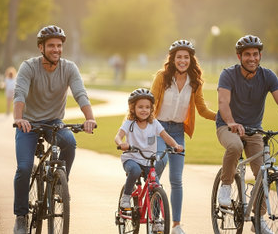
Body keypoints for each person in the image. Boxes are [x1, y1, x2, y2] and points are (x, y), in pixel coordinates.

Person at [216, 35, 278, 234]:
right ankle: (225, 185)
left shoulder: (268, 76)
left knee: (263, 172)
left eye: (255, 54)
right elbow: (223, 102)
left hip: (254, 129)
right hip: (227, 126)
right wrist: (231, 122)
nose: (252, 58)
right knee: (235, 146)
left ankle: (259, 219)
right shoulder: (228, 74)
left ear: (260, 55)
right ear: (239, 56)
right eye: (247, 54)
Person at [12, 25, 97, 234]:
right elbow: (20, 93)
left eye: (59, 46)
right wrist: (18, 118)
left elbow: (80, 93)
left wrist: (90, 118)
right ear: (41, 47)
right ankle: (21, 216)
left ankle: (60, 182)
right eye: (51, 45)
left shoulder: (69, 68)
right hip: (29, 123)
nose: (56, 49)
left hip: (54, 121)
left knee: (70, 142)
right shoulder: (29, 67)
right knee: (24, 168)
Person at [150, 40, 216, 234]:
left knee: (177, 179)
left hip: (178, 131)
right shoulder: (162, 78)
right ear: (173, 59)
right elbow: (151, 103)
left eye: (186, 57)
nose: (182, 60)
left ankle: (177, 224)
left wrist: (223, 117)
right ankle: (155, 219)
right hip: (158, 128)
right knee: (158, 168)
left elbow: (202, 109)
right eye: (179, 57)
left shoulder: (194, 82)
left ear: (191, 60)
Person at [114, 89, 183, 226]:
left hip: (148, 161)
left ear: (152, 109)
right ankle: (126, 196)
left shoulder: (154, 124)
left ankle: (156, 219)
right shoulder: (129, 123)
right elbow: (118, 136)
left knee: (155, 187)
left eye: (147, 107)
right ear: (133, 108)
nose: (144, 110)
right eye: (140, 107)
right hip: (131, 158)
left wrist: (175, 145)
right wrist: (121, 144)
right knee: (134, 171)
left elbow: (166, 137)